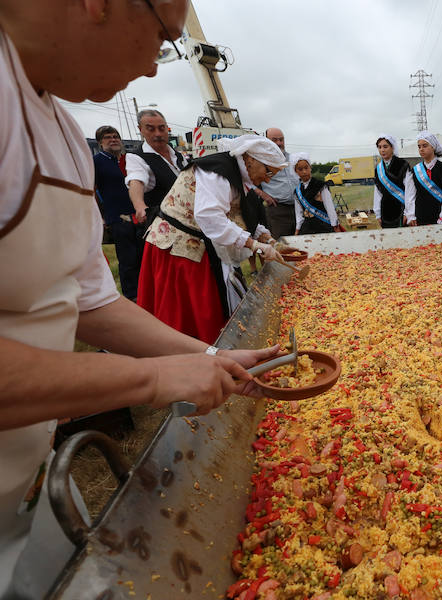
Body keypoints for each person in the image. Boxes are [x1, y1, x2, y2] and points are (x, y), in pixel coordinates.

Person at [0, 2, 278, 597]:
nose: (154, 69)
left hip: (23, 474)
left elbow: (93, 302)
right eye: (161, 39)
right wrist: (150, 381)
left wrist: (207, 355)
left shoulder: (61, 134)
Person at [138, 134, 288, 343]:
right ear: (251, 159)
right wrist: (254, 245)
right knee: (190, 314)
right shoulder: (217, 173)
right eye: (269, 171)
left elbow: (238, 212)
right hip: (179, 249)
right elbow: (210, 217)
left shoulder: (240, 176)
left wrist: (264, 237)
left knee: (214, 306)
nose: (269, 178)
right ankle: (194, 353)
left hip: (200, 246)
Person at [93, 125, 143, 300]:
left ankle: (147, 293)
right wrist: (100, 216)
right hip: (118, 218)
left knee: (143, 258)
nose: (113, 139)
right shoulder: (97, 162)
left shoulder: (129, 160)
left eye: (116, 136)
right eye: (108, 137)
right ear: (100, 143)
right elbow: (92, 190)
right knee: (128, 260)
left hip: (140, 216)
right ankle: (133, 297)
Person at [125, 108, 186, 232]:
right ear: (140, 129)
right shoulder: (136, 157)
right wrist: (140, 206)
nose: (158, 133)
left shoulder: (179, 156)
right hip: (163, 228)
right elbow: (136, 180)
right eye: (151, 129)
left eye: (161, 128)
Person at [256, 127, 299, 239]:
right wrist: (263, 195)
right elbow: (248, 183)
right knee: (281, 246)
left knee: (301, 244)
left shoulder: (293, 159)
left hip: (298, 209)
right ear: (266, 141)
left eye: (281, 139)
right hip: (278, 211)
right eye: (274, 140)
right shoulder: (261, 160)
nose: (279, 143)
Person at [405, 132, 442, 226]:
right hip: (420, 215)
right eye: (419, 147)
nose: (421, 149)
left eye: (425, 146)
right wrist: (411, 215)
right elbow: (410, 195)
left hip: (439, 216)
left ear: (433, 147)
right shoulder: (415, 171)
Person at [372, 134, 414, 228]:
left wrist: (408, 213)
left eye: (385, 146)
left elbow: (409, 190)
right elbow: (377, 192)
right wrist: (378, 214)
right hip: (385, 210)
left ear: (392, 148)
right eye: (379, 147)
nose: (382, 150)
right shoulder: (378, 169)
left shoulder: (402, 164)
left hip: (401, 208)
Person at [292, 152, 340, 234]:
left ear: (310, 168)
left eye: (306, 168)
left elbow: (330, 207)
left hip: (323, 225)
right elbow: (299, 213)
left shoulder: (320, 185)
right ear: (295, 171)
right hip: (307, 227)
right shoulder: (297, 191)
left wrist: (335, 225)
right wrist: (297, 229)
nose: (304, 172)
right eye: (300, 169)